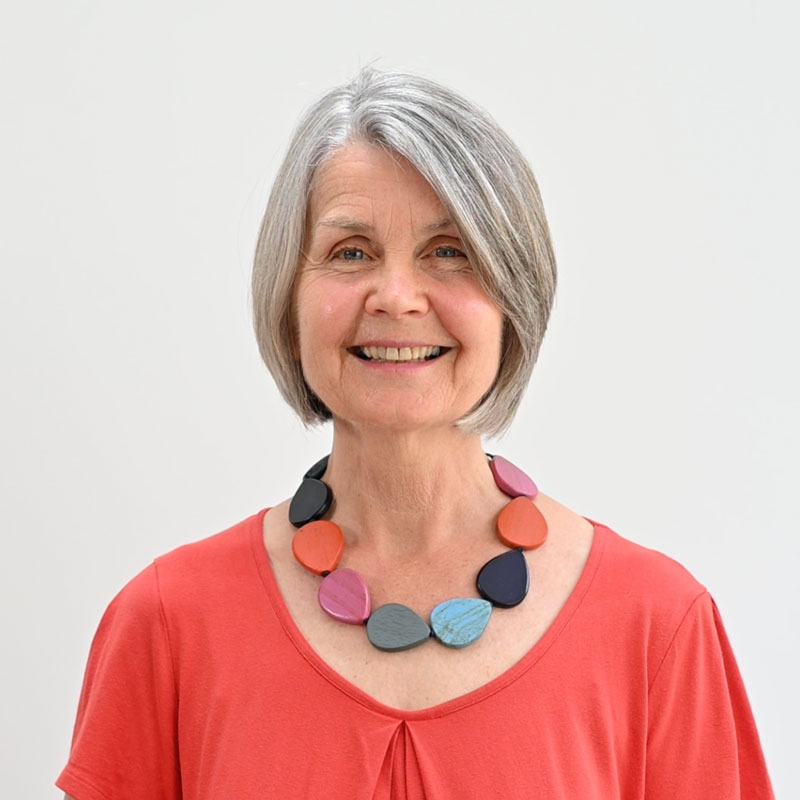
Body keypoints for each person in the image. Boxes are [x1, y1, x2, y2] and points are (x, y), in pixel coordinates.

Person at [57, 67, 774, 799]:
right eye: (351, 251)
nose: (397, 297)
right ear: (288, 300)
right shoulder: (167, 626)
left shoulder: (658, 626)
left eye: (449, 251)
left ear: (513, 297)